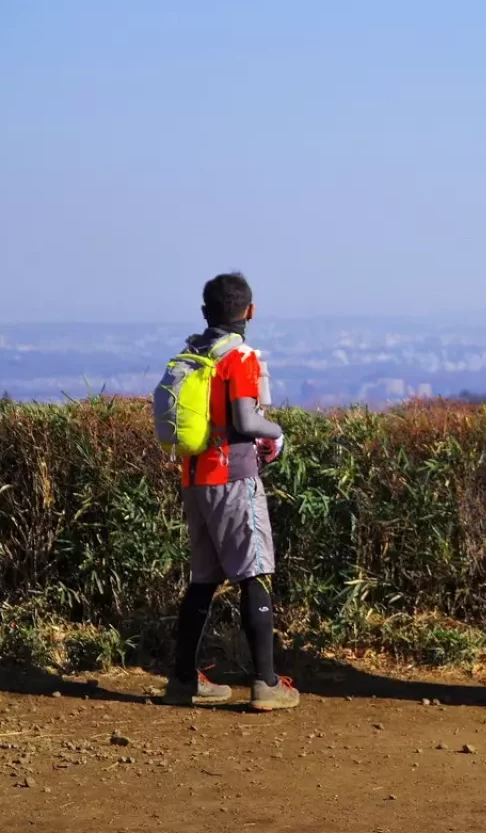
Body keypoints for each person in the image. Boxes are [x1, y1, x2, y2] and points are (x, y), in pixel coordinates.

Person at [162, 272, 299, 711]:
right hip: (234, 478)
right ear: (250, 312)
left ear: (205, 312)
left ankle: (184, 679)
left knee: (203, 579)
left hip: (195, 477)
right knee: (255, 571)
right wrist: (277, 432)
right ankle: (266, 683)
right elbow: (245, 420)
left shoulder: (192, 353)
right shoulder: (239, 358)